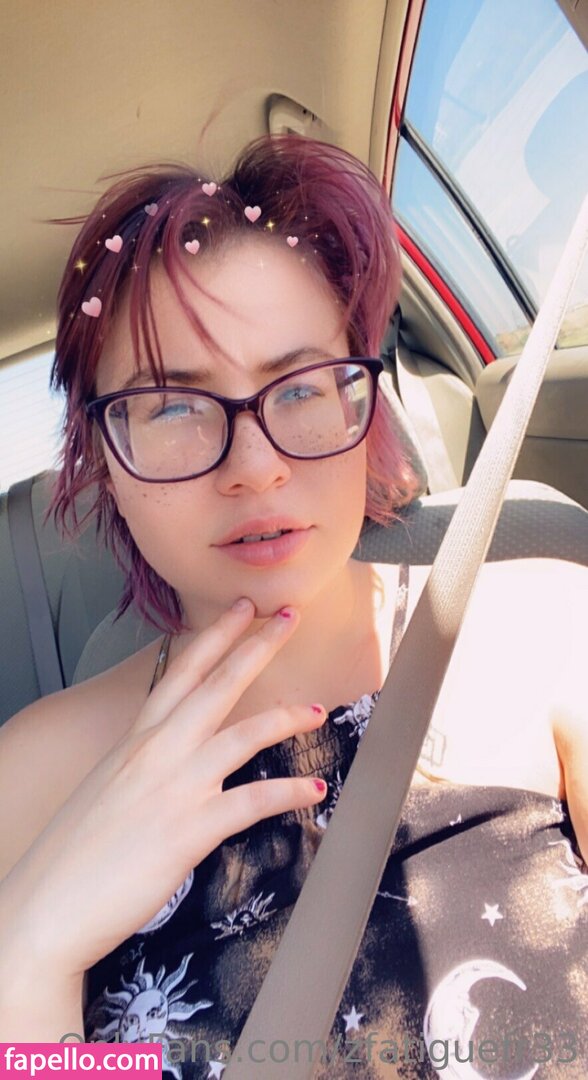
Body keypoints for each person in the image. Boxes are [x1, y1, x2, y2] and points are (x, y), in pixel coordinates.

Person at [0, 134, 586, 1079]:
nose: (256, 466)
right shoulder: (29, 778)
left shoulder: (549, 630)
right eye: (172, 406)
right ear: (103, 458)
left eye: (304, 386)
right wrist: (28, 961)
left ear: (366, 402)